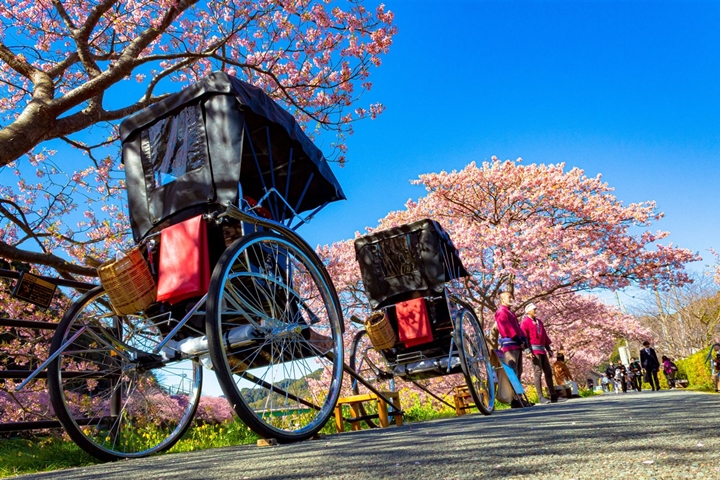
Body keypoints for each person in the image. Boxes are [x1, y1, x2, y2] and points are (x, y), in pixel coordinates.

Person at [520, 303, 563, 404]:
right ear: (528, 311)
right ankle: (540, 397)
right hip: (534, 350)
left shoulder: (539, 322)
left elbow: (544, 335)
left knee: (548, 371)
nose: (536, 311)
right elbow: (523, 337)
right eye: (534, 309)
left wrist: (548, 348)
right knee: (537, 372)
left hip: (542, 349)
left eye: (536, 309)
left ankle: (553, 395)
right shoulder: (525, 322)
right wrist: (527, 351)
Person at [494, 289, 527, 408]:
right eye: (509, 297)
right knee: (513, 372)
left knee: (519, 371)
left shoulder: (510, 312)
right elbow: (506, 328)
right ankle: (516, 398)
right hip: (510, 345)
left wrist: (523, 339)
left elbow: (517, 328)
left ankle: (519, 397)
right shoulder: (501, 312)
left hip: (517, 345)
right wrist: (518, 338)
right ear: (502, 298)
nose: (511, 300)